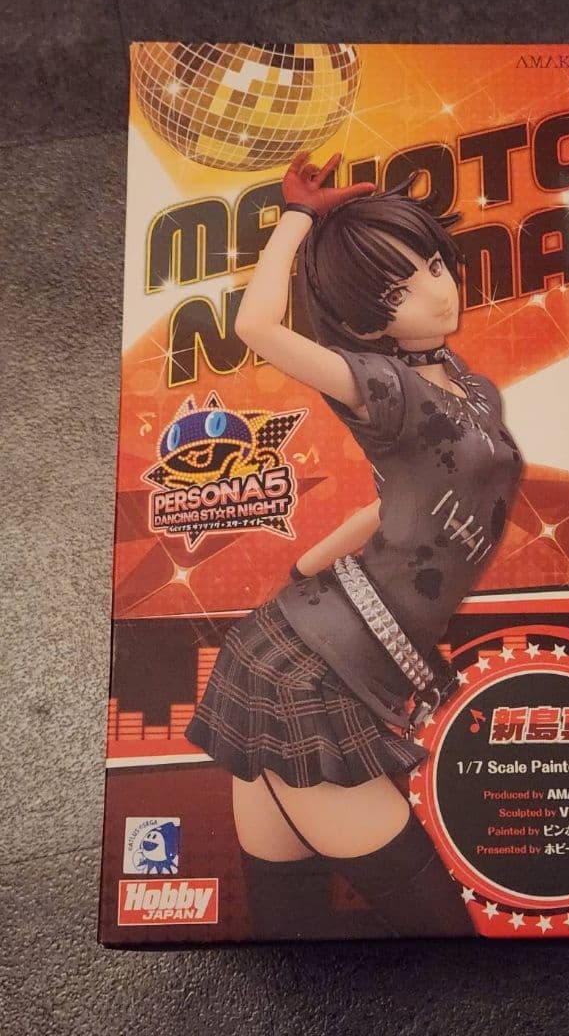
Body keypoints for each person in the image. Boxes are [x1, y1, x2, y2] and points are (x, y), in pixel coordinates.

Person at [185, 150, 524, 939]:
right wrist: (298, 217)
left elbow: (399, 499)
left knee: (289, 916)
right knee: (438, 926)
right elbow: (256, 328)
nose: (438, 291)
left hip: (323, 634)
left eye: (432, 264)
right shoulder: (382, 385)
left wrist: (307, 563)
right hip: (308, 673)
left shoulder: (469, 385)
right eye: (400, 290)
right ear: (369, 320)